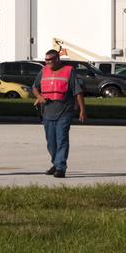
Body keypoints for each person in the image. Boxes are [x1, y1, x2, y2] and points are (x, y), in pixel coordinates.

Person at [34, 49, 86, 178]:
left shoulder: (69, 71)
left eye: (50, 60)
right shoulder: (43, 71)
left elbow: (77, 92)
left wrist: (82, 110)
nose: (48, 63)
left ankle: (61, 167)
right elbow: (34, 87)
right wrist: (39, 97)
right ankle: (55, 163)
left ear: (57, 59)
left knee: (61, 139)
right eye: (46, 60)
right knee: (51, 142)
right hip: (47, 112)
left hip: (64, 111)